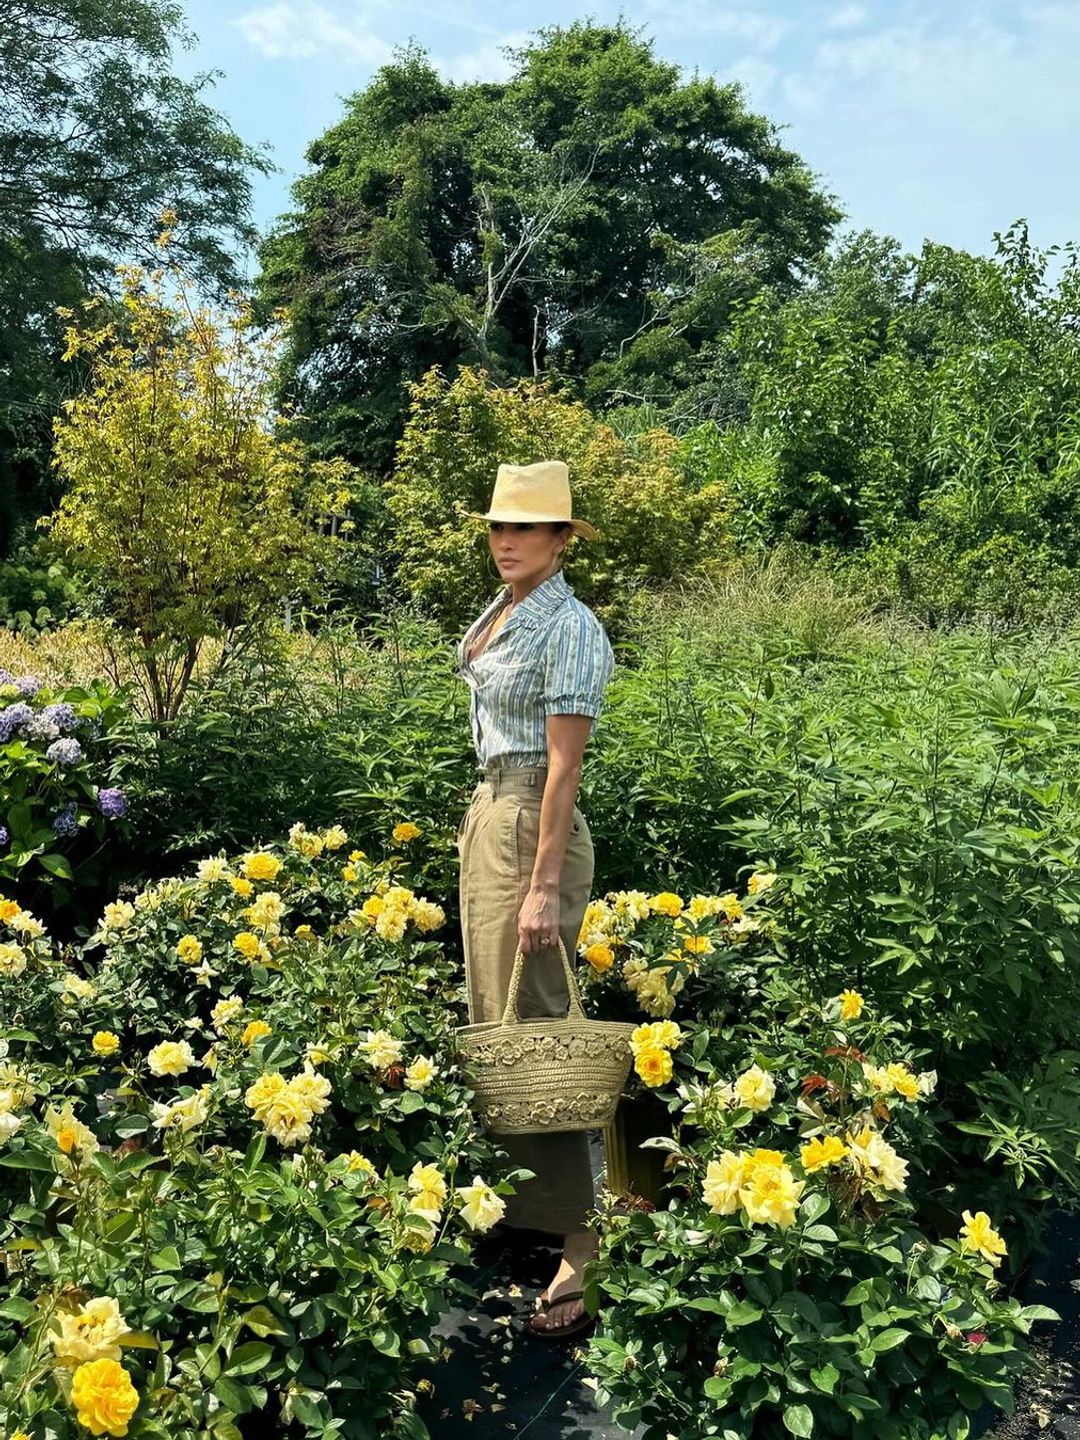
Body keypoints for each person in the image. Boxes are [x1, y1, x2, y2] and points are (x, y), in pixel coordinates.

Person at [455, 459, 616, 1340]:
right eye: (496, 525)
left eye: (524, 527)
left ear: (561, 539)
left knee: (543, 1029)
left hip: (530, 825)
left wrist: (544, 885)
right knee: (497, 1022)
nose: (505, 540)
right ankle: (520, 1207)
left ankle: (583, 1243)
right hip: (490, 812)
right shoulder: (505, 610)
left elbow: (563, 767)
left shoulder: (572, 627)